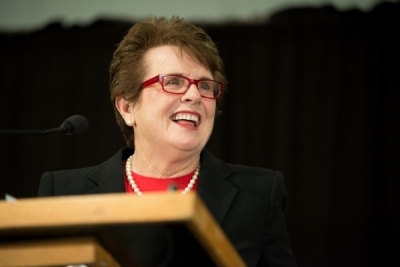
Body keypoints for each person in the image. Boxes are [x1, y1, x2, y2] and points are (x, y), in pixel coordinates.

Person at [38, 16, 296, 267]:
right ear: (127, 107)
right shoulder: (62, 191)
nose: (195, 95)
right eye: (173, 82)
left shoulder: (259, 195)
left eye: (206, 86)